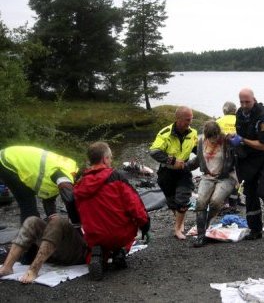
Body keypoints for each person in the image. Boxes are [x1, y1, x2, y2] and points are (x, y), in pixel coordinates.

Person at [74, 142, 150, 280]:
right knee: (131, 224)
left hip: (93, 234)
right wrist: (145, 224)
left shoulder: (80, 183)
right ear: (104, 159)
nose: (110, 161)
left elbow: (77, 212)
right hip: (118, 233)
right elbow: (134, 205)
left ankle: (97, 254)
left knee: (96, 235)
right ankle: (119, 252)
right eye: (109, 158)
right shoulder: (116, 176)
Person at [230, 88, 264, 240]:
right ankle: (255, 230)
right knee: (250, 193)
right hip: (249, 158)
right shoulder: (240, 114)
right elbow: (241, 134)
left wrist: (242, 140)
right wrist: (234, 140)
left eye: (247, 102)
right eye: (242, 102)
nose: (245, 105)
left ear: (254, 100)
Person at [149, 106, 198, 240]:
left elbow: (197, 150)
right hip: (167, 172)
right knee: (172, 202)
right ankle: (178, 221)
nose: (190, 122)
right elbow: (154, 151)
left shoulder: (193, 133)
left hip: (184, 171)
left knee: (183, 200)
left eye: (191, 119)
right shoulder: (165, 133)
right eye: (187, 119)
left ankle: (178, 228)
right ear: (178, 119)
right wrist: (172, 161)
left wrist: (200, 161)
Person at [186, 121, 237, 247]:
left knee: (215, 201)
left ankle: (208, 220)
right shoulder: (201, 141)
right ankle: (201, 236)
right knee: (201, 202)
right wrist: (184, 167)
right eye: (210, 137)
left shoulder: (227, 141)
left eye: (215, 136)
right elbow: (198, 160)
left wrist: (236, 138)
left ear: (219, 133)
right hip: (208, 176)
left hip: (226, 177)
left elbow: (240, 156)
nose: (213, 140)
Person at [0, 146, 80, 224]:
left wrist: (52, 217)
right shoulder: (64, 176)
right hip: (7, 160)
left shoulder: (64, 176)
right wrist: (76, 222)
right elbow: (69, 199)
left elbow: (49, 199)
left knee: (29, 202)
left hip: (14, 158)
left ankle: (32, 230)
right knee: (28, 203)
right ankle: (28, 235)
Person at [0, 214, 87, 284]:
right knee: (32, 221)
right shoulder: (74, 195)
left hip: (79, 251)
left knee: (58, 221)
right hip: (58, 250)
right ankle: (7, 267)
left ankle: (33, 270)